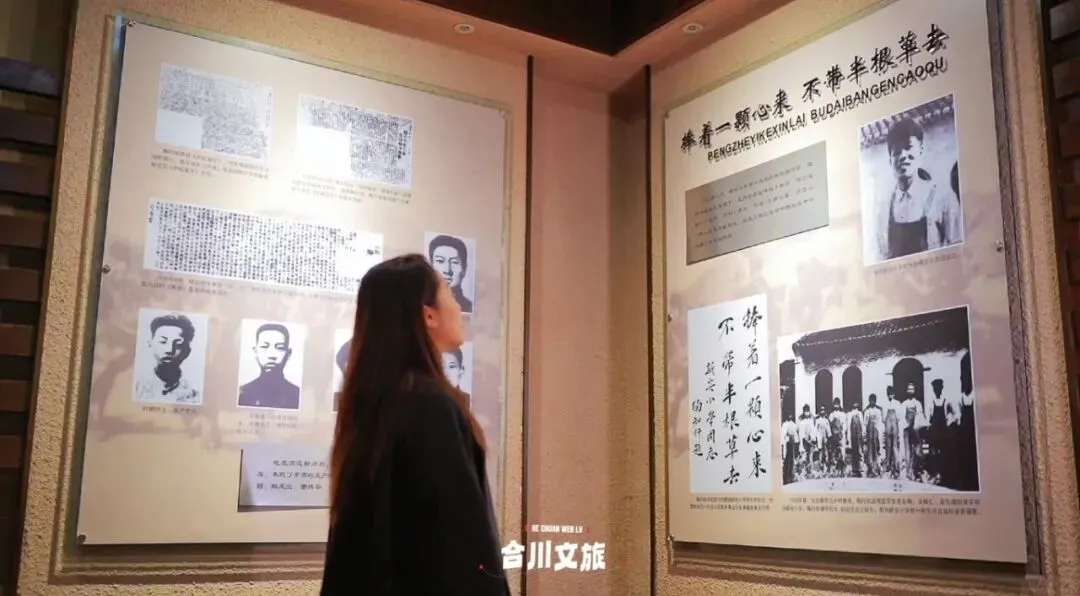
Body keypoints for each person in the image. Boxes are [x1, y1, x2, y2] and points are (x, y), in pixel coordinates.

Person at [321, 254, 506, 595]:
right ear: (428, 315)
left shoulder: (376, 403)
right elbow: (454, 541)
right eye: (449, 294)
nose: (458, 307)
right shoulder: (428, 405)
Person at [874, 117, 962, 262]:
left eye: (908, 147)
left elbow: (958, 252)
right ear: (890, 160)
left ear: (921, 151)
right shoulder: (884, 210)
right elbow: (882, 260)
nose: (903, 156)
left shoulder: (942, 197)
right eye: (897, 152)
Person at [135, 313, 200, 404]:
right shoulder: (136, 388)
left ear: (187, 351)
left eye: (178, 344)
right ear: (150, 344)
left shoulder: (195, 397)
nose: (169, 350)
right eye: (163, 342)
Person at [238, 323, 301, 410]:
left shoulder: (296, 395)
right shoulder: (243, 393)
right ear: (255, 351)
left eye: (279, 348)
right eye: (264, 346)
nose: (271, 355)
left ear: (289, 353)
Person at [428, 234, 474, 314]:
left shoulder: (468, 306)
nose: (447, 270)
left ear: (464, 268)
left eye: (454, 262)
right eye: (440, 261)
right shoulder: (423, 303)